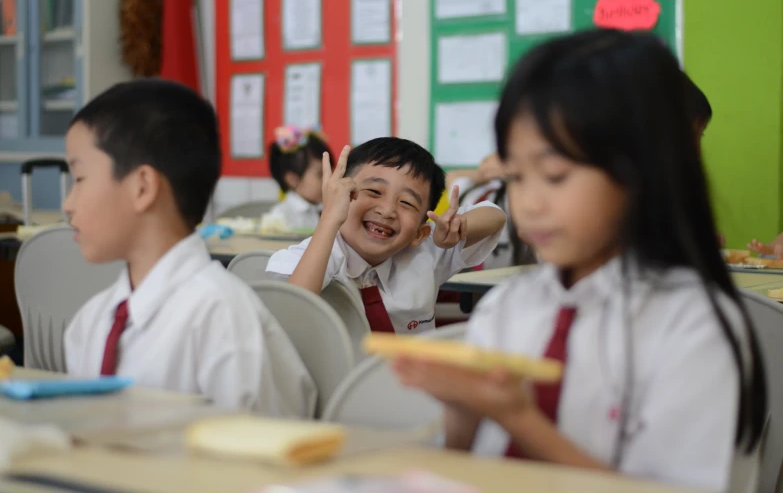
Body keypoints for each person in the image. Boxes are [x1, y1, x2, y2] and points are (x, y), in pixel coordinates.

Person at [392, 29, 766, 491]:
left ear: (645, 173)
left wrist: (518, 418)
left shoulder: (690, 324)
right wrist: (464, 411)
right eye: (517, 177)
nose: (528, 204)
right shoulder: (512, 307)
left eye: (554, 175)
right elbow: (467, 469)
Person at [63, 79, 316, 417]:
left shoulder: (221, 319)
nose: (68, 203)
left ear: (142, 187)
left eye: (79, 179)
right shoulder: (91, 322)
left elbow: (261, 456)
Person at [266, 137, 507, 334]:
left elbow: (495, 216)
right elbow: (294, 306)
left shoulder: (426, 247)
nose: (387, 210)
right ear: (342, 195)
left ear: (419, 233)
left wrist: (459, 226)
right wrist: (329, 218)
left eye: (406, 202)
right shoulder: (320, 253)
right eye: (373, 191)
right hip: (343, 389)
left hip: (415, 387)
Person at [266, 125, 333, 232]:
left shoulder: (327, 208)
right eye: (320, 174)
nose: (329, 180)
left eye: (331, 172)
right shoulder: (280, 217)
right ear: (292, 180)